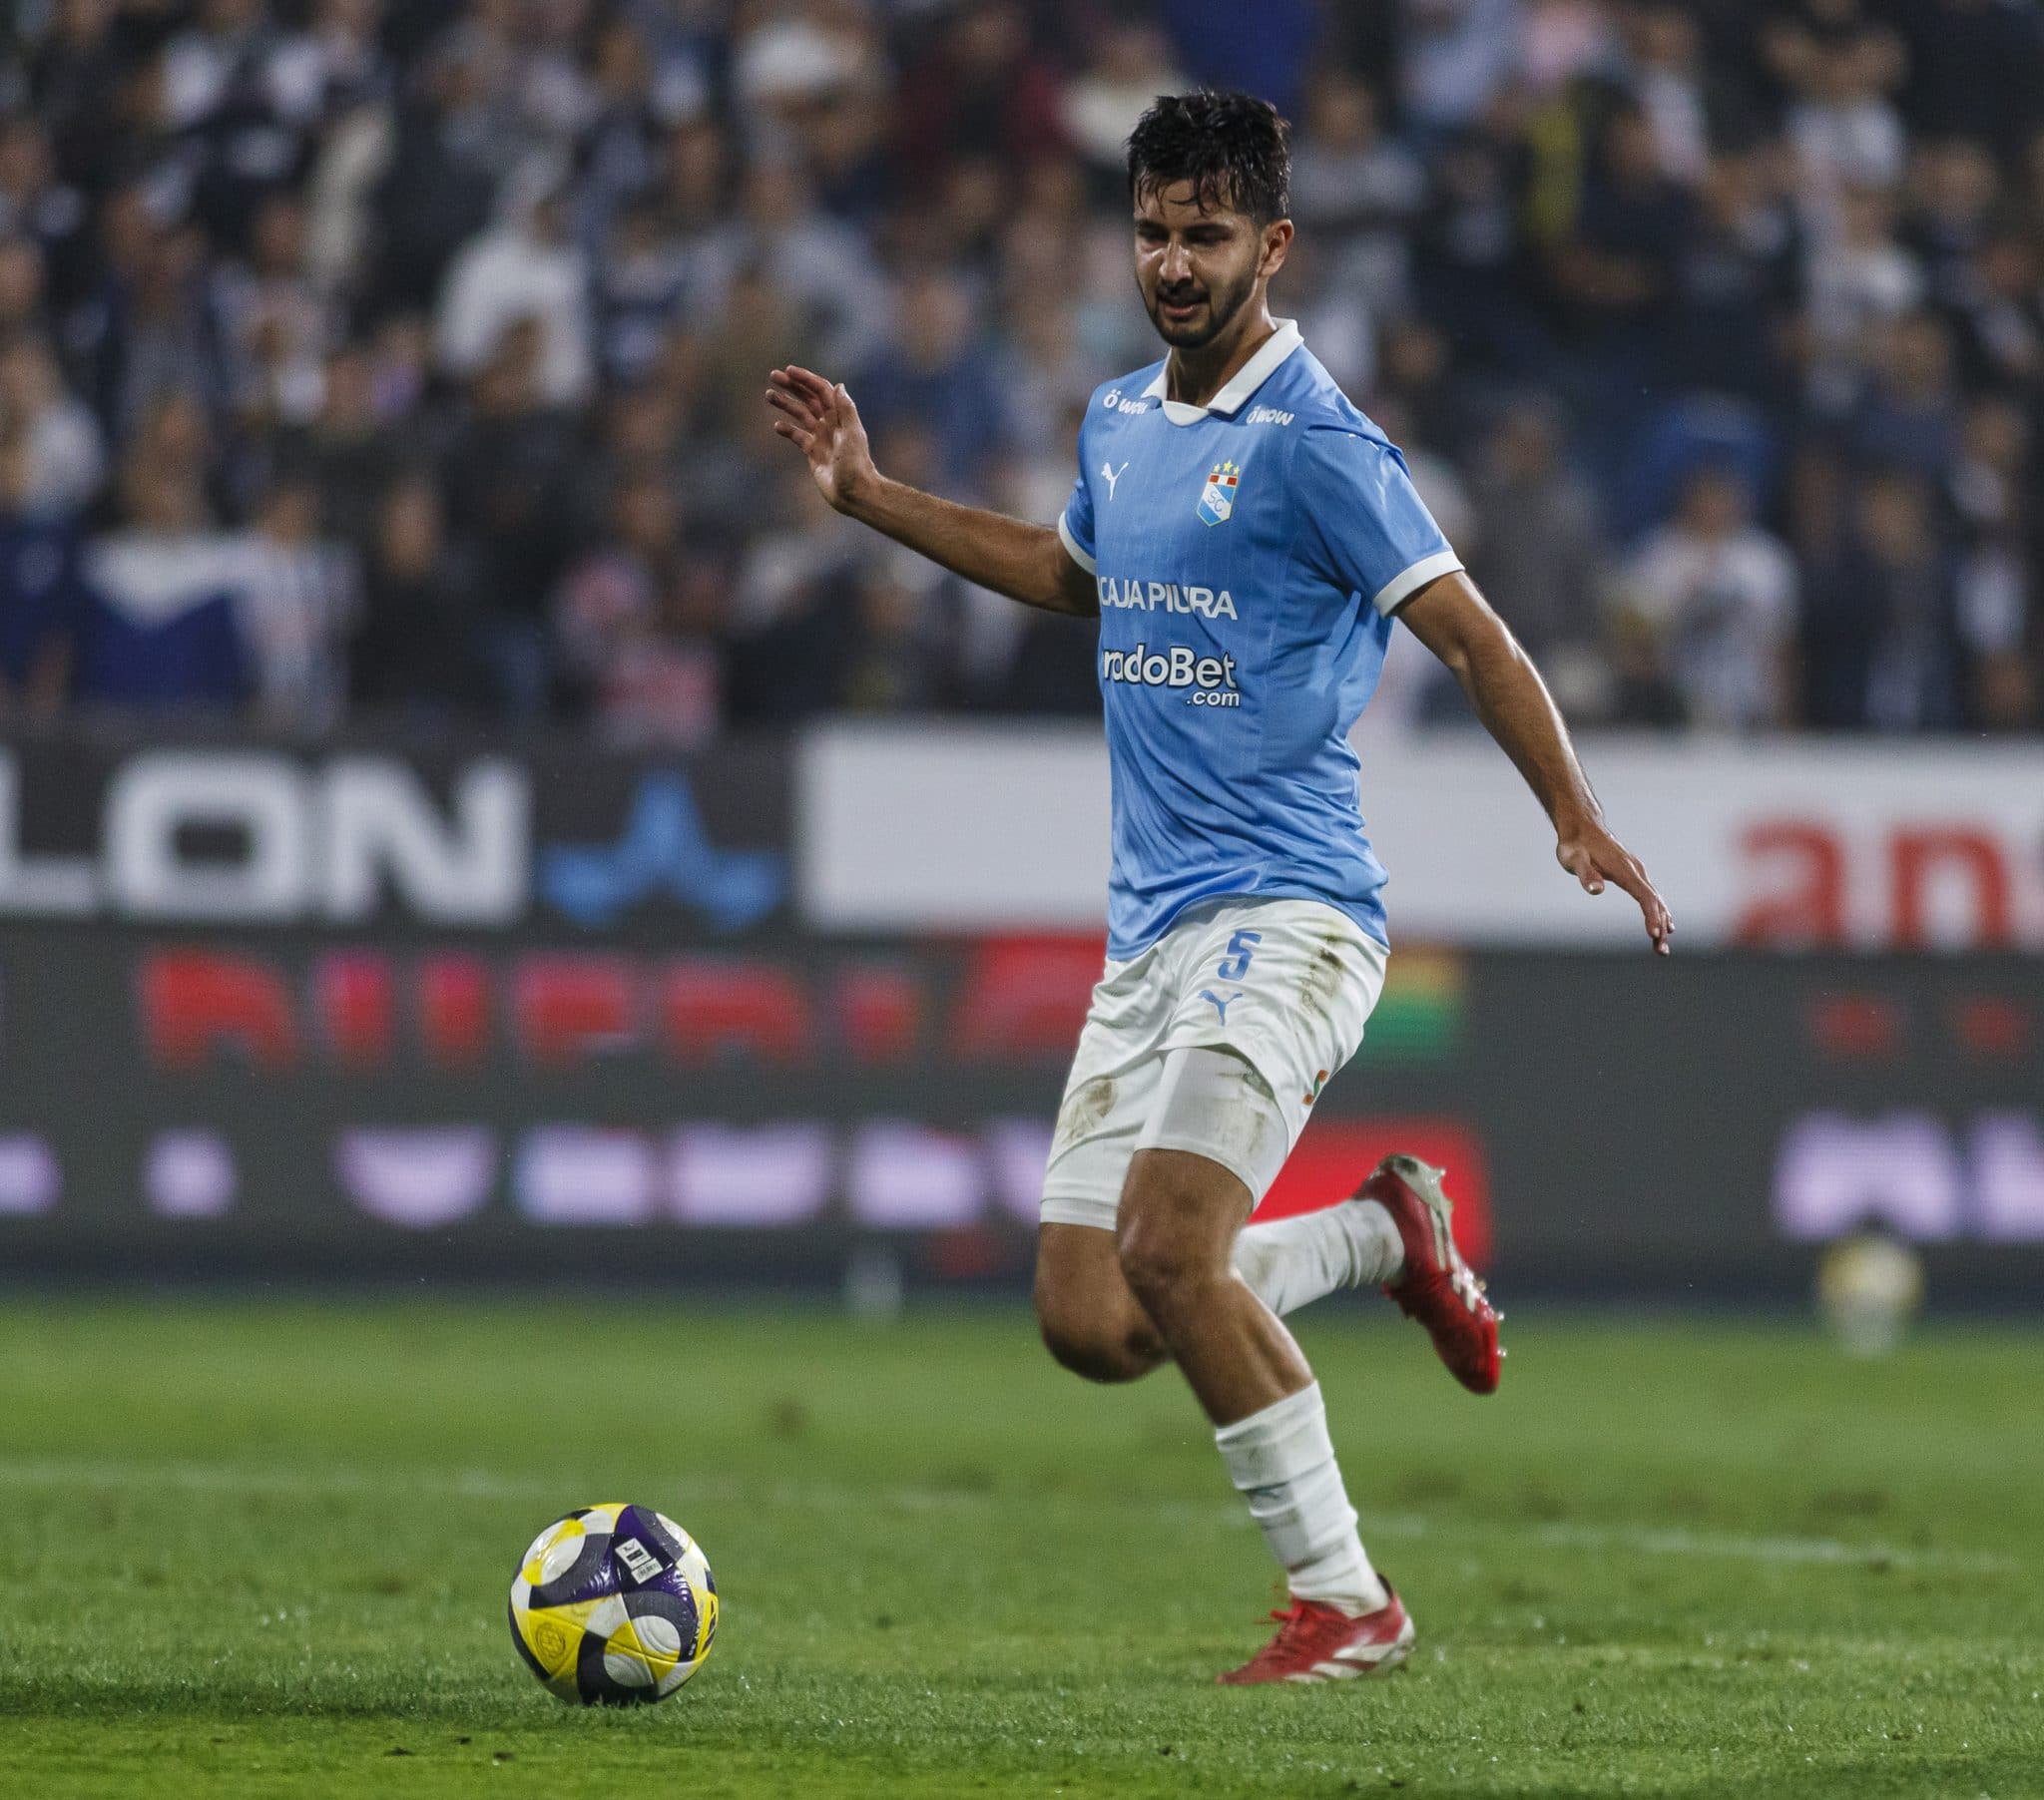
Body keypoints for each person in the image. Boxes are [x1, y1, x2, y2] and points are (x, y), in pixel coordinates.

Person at [766, 90, 1671, 1685]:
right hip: (1154, 940)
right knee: (1093, 1320)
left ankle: (1349, 1600)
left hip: (1298, 914)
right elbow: (1068, 574)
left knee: (1171, 1251)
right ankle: (1386, 1237)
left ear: (1275, 245)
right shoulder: (1120, 419)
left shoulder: (1322, 443)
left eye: (1208, 234)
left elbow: (1470, 632)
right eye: (1155, 231)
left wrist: (1575, 813)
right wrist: (868, 494)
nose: (1176, 263)